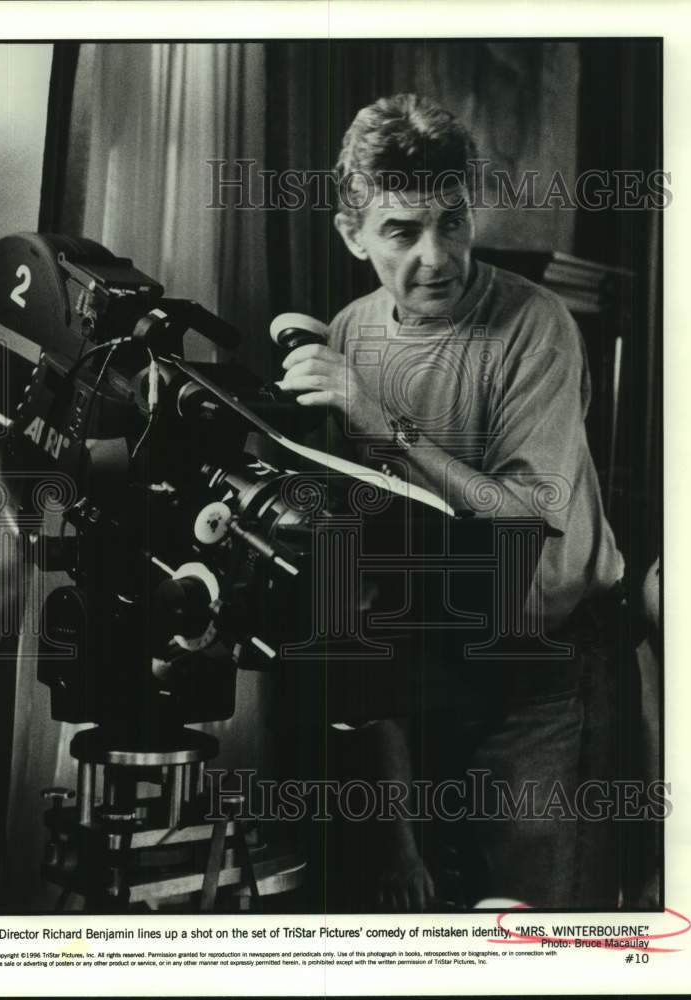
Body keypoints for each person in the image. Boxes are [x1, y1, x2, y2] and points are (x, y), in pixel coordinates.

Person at [277, 94, 630, 912]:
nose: (437, 257)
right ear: (353, 236)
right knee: (417, 915)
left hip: (541, 663)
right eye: (402, 231)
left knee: (528, 922)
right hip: (423, 663)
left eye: (453, 221)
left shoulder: (537, 326)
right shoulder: (349, 334)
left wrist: (378, 421)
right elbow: (356, 566)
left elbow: (517, 524)